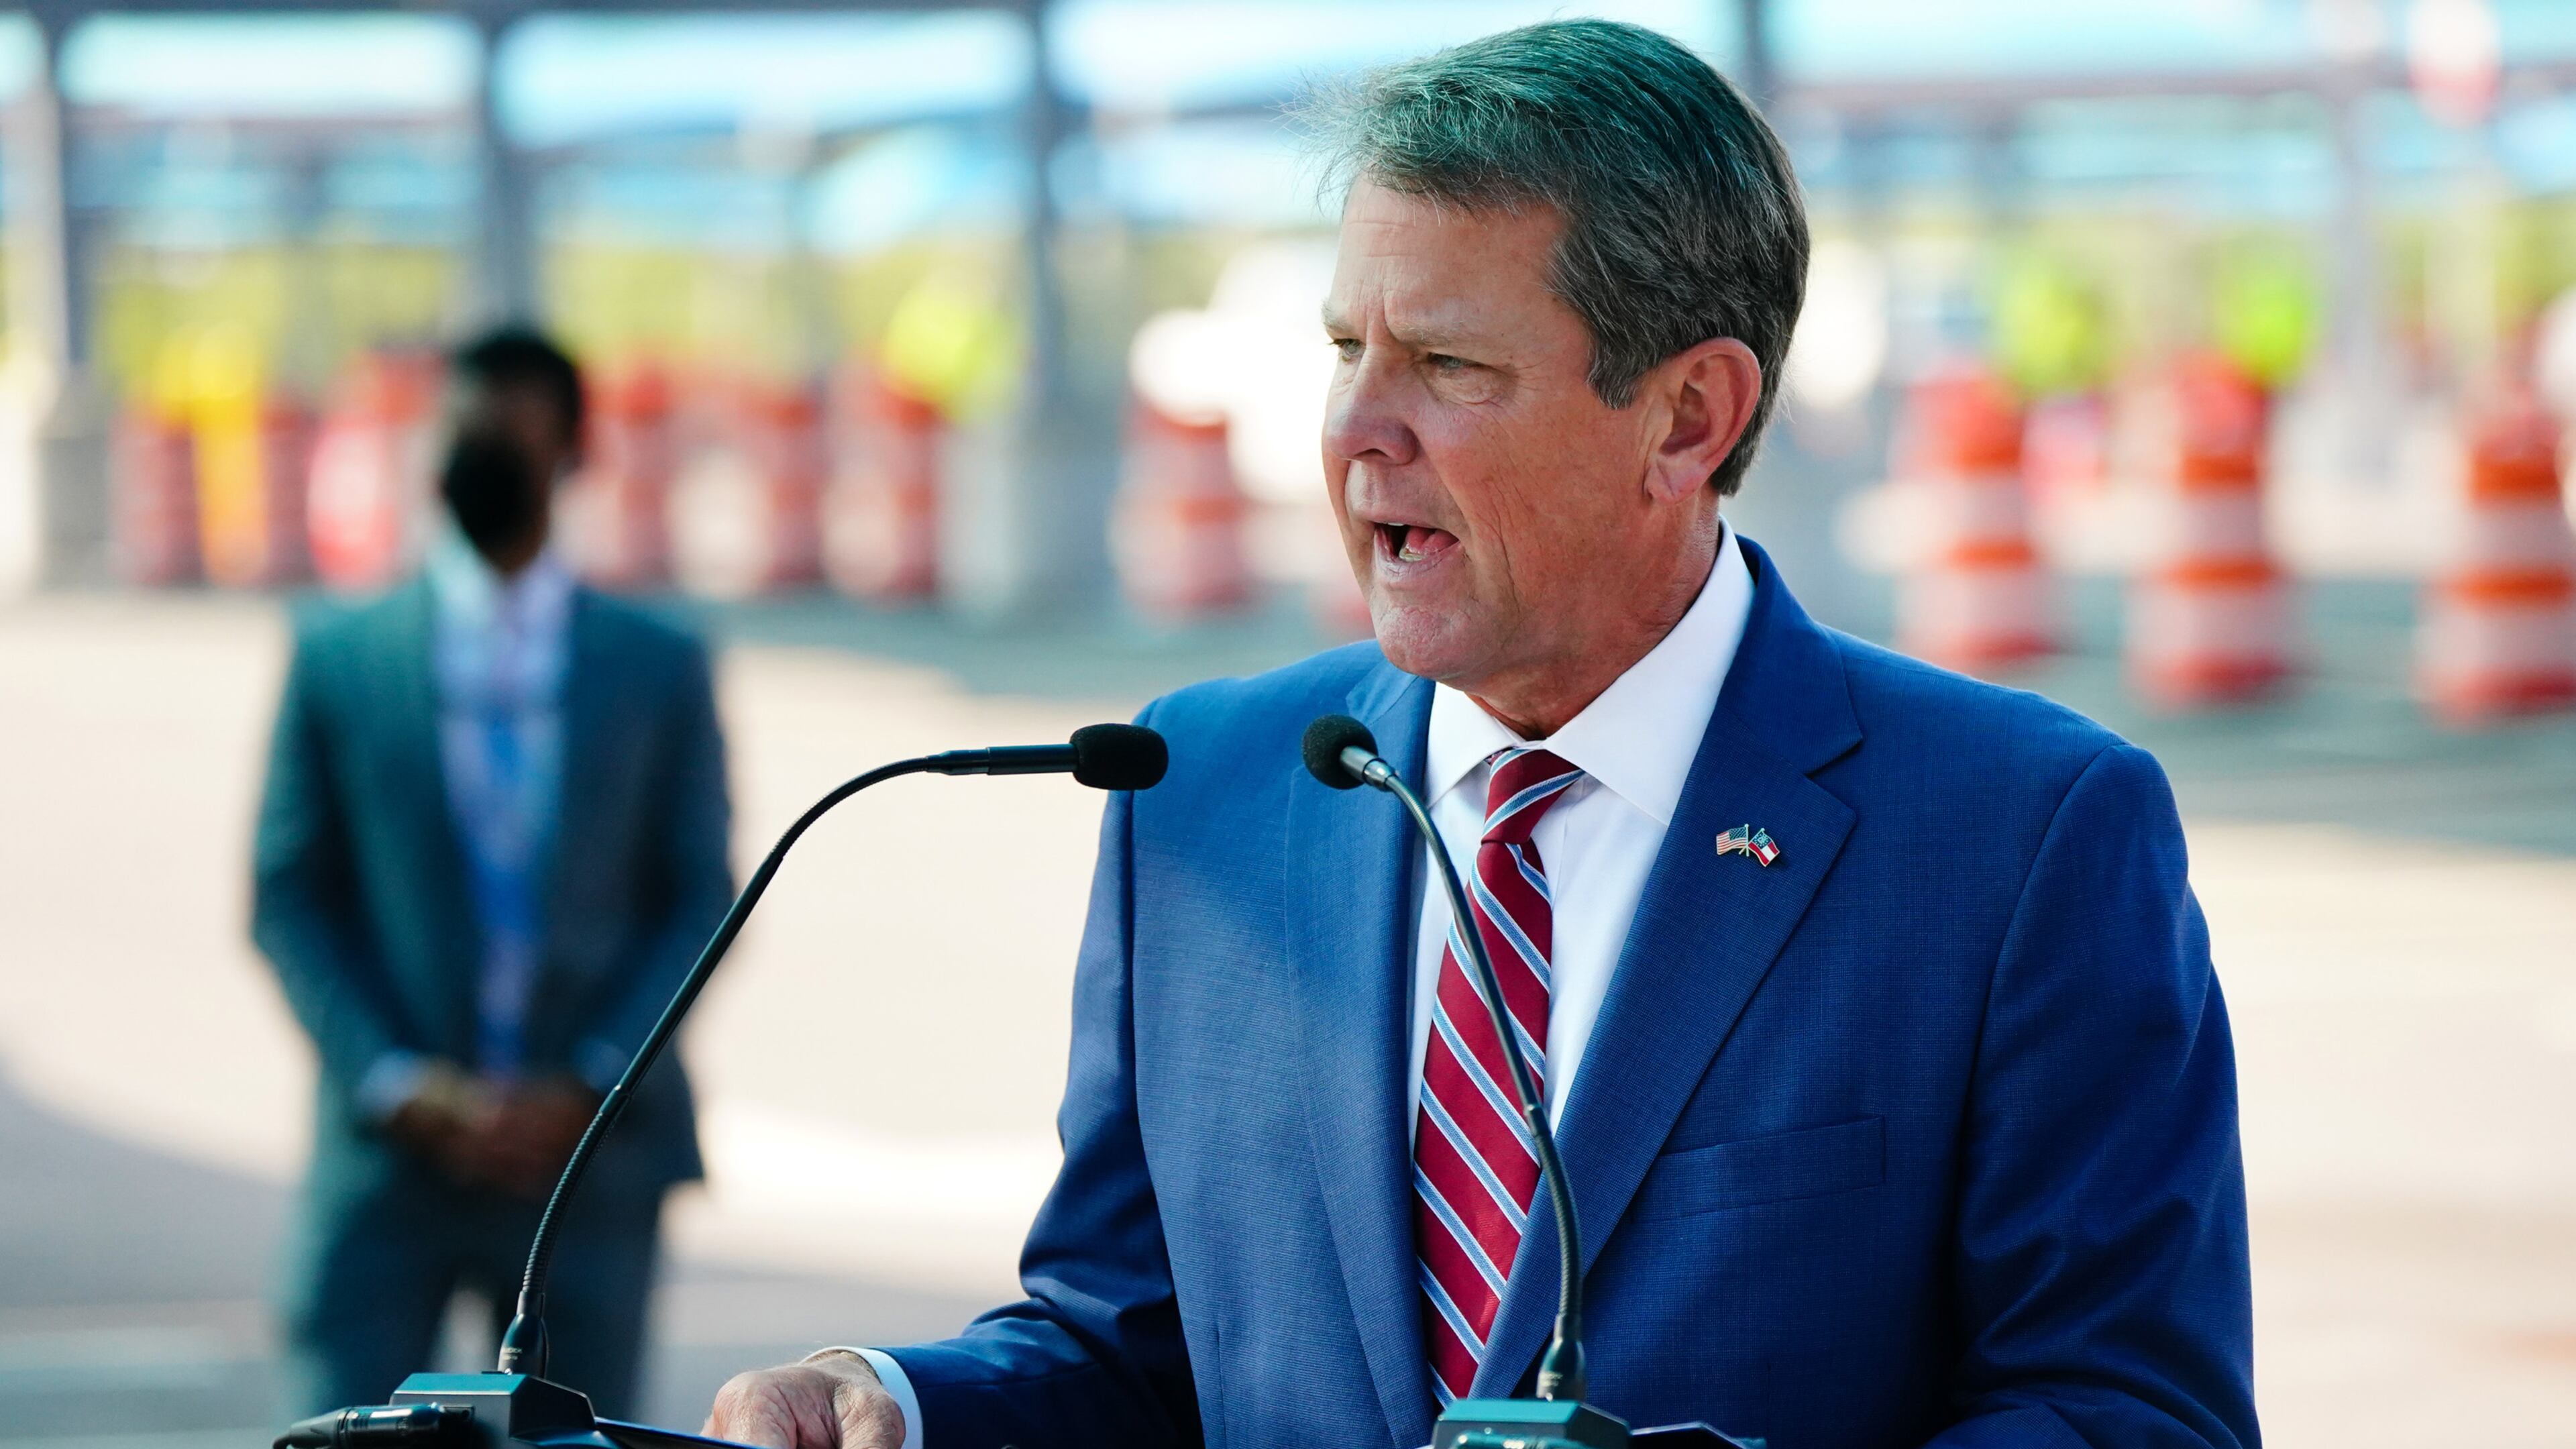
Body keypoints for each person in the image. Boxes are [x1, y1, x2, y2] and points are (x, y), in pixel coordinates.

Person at [707, 21, 2256, 1449]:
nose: (1355, 431)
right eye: (1345, 351)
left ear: (1689, 419)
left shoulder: (2022, 835)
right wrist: (900, 1406)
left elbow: (2128, 1412)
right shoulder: (1200, 794)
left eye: (1448, 366)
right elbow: (1130, 1347)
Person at [254, 327, 733, 1419]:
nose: (487, 454)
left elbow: (698, 900)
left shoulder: (657, 665)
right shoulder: (342, 655)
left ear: (572, 454)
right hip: (391, 1166)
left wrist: (592, 1079)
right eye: (468, 428)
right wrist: (396, 1081)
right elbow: (289, 895)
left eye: (516, 432)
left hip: (586, 1169)